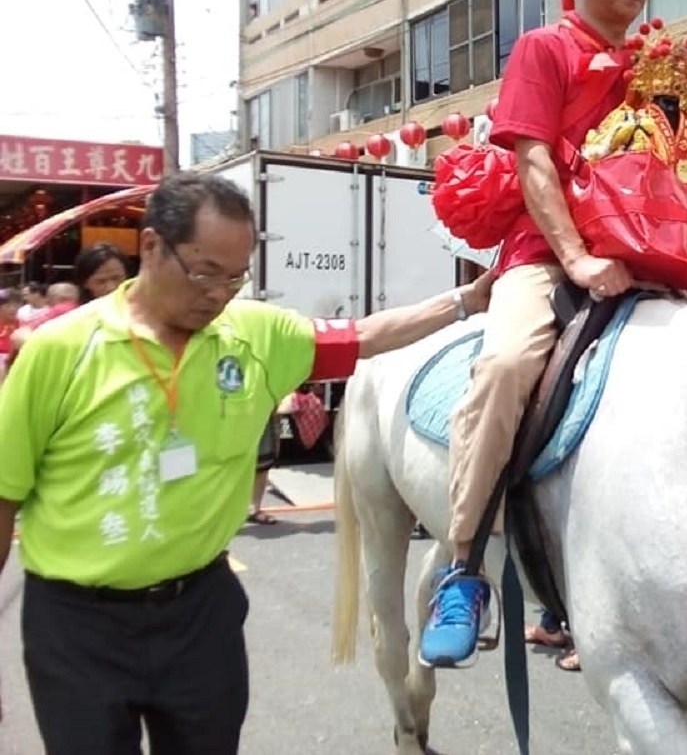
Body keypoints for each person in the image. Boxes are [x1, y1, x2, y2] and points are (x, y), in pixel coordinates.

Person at [0, 171, 494, 754]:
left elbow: (365, 336)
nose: (218, 294)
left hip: (199, 618)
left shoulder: (253, 335)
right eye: (205, 273)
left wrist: (468, 300)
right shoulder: (60, 352)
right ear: (153, 246)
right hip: (78, 628)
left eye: (235, 279)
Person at [418, 0, 687, 669]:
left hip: (645, 253)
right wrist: (578, 256)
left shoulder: (656, 66)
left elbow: (662, 165)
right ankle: (462, 567)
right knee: (505, 365)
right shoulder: (544, 50)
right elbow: (530, 159)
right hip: (547, 253)